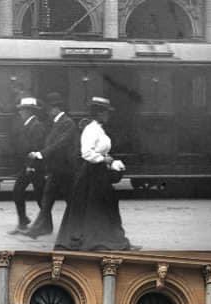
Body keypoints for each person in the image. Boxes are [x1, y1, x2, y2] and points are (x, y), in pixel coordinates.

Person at [54, 96, 132, 251]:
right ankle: (98, 240)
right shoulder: (91, 129)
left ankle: (111, 238)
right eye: (106, 112)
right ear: (99, 113)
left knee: (107, 205)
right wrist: (107, 160)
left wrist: (111, 161)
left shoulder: (99, 128)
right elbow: (87, 153)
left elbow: (101, 152)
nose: (108, 115)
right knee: (96, 207)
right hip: (91, 174)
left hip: (99, 172)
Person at [24, 92, 79, 239]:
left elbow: (59, 144)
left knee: (70, 201)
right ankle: (39, 228)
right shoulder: (57, 123)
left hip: (65, 169)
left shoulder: (67, 123)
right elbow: (52, 143)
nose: (48, 112)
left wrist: (41, 154)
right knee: (47, 198)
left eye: (49, 109)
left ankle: (79, 228)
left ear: (56, 108)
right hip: (57, 168)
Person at [9, 98, 47, 235]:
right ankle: (24, 221)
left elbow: (36, 147)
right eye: (20, 109)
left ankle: (43, 224)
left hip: (34, 166)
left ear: (29, 111)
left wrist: (31, 165)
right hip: (28, 165)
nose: (20, 112)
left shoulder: (36, 125)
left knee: (39, 194)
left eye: (23, 109)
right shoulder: (27, 124)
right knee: (22, 192)